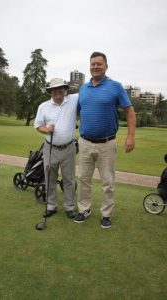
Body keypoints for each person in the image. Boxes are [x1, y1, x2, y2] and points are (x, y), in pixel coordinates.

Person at [74, 51, 136, 228]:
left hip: (107, 144)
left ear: (106, 66)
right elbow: (76, 110)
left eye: (99, 64)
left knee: (107, 182)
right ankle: (84, 209)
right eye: (93, 64)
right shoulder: (83, 88)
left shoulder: (115, 87)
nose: (95, 67)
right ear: (90, 66)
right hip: (85, 142)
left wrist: (130, 136)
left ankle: (106, 214)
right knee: (84, 179)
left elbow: (130, 111)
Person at [34, 78, 78, 218]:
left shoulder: (73, 100)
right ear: (50, 91)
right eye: (54, 89)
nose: (57, 91)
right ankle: (51, 205)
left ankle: (69, 207)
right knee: (50, 178)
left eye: (60, 88)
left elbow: (88, 90)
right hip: (50, 148)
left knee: (69, 179)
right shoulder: (43, 106)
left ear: (65, 89)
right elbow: (38, 125)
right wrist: (46, 130)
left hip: (68, 148)